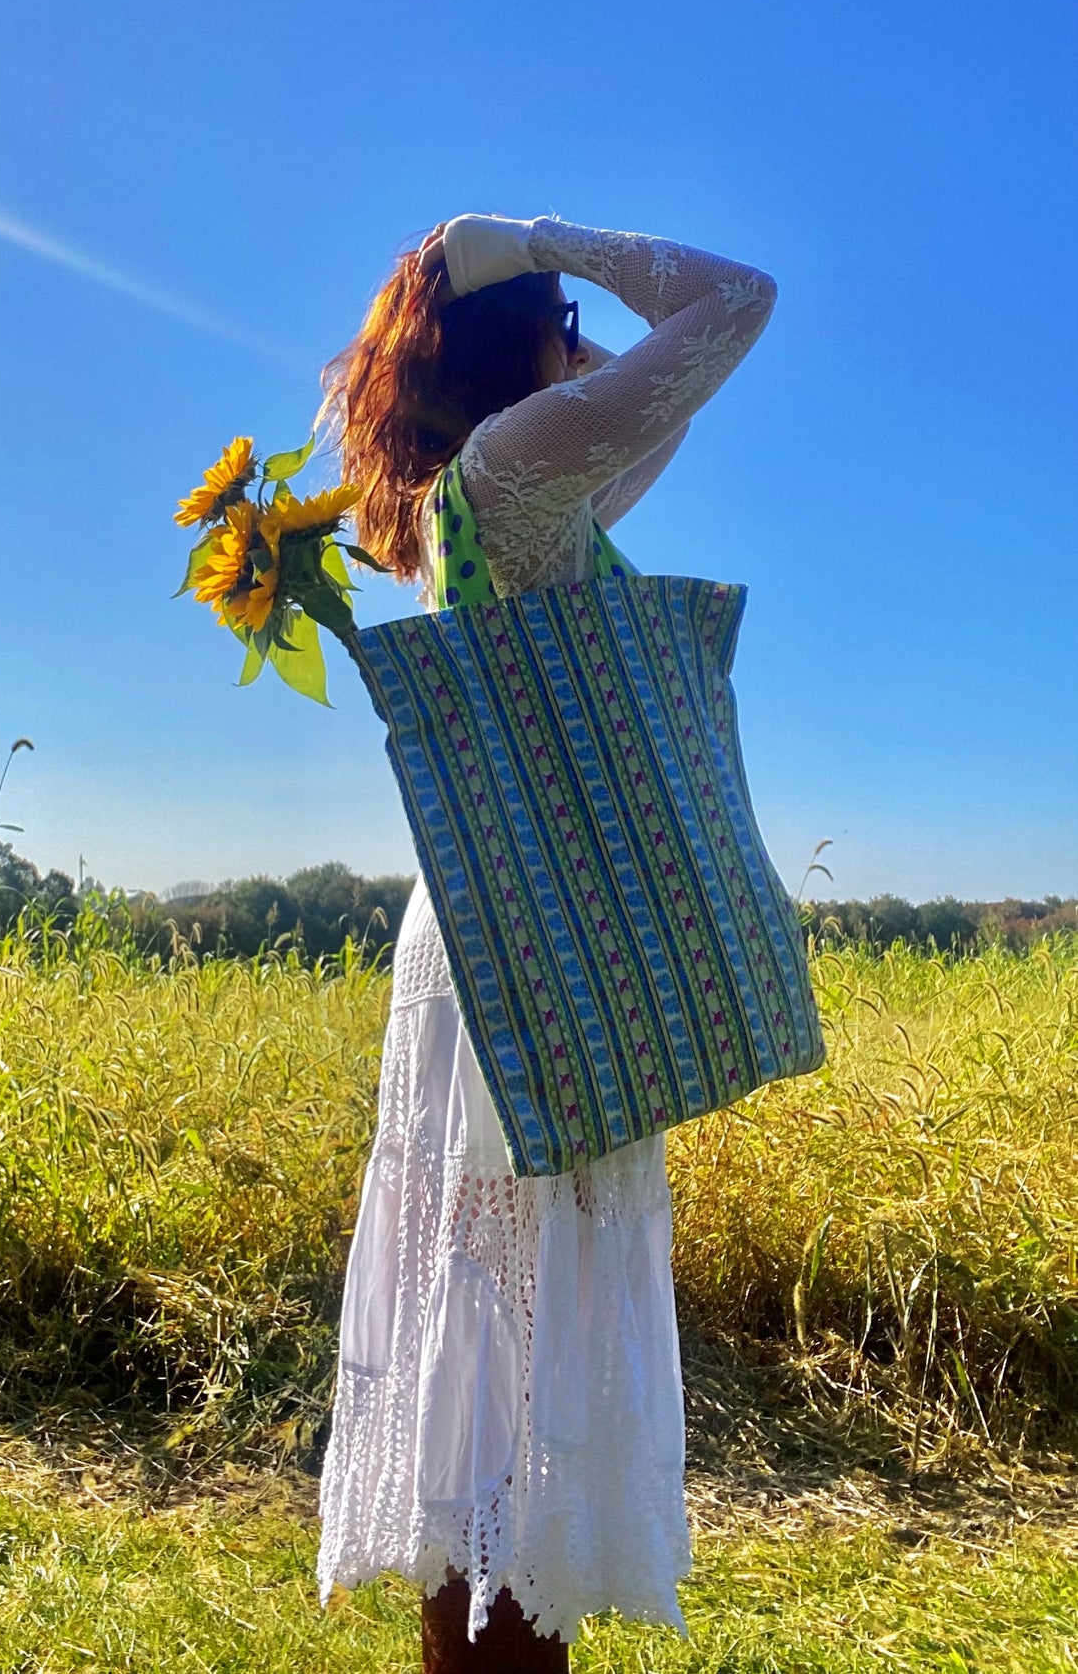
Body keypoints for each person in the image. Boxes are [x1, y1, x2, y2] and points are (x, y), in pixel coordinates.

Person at [314, 212, 779, 1670]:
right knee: (519, 1364)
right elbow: (732, 305)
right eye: (554, 312)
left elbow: (671, 397)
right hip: (544, 953)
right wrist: (538, 235)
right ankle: (500, 1647)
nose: (576, 325)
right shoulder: (512, 478)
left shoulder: (492, 491)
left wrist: (531, 295)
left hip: (491, 940)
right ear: (512, 335)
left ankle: (485, 1637)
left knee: (493, 1350)